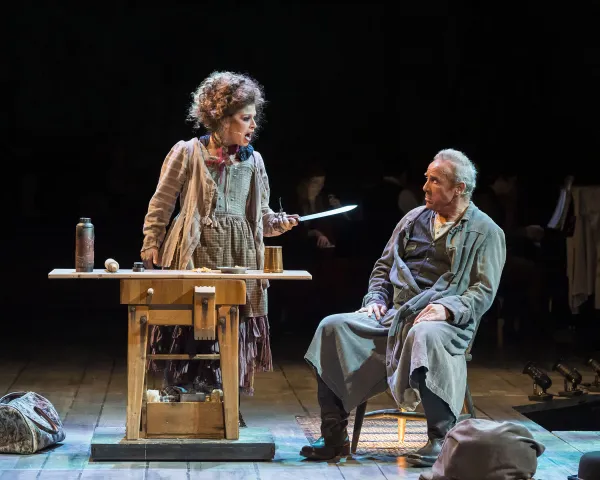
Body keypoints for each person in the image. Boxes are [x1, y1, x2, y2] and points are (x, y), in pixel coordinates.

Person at [301, 149, 506, 466]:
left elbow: (483, 291)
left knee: (425, 334)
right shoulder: (413, 219)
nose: (425, 186)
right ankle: (333, 435)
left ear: (458, 188)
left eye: (434, 181)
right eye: (426, 178)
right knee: (332, 327)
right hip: (396, 315)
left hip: (446, 322)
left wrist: (447, 310)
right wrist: (376, 299)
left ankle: (439, 438)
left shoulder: (486, 232)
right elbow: (383, 267)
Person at [140, 71, 298, 398]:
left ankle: (224, 402)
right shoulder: (188, 152)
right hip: (195, 252)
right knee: (191, 326)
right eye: (245, 118)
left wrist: (280, 223)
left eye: (254, 118)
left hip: (239, 257)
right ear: (222, 119)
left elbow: (261, 216)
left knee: (229, 328)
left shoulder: (254, 161)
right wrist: (151, 241)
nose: (253, 125)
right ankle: (180, 395)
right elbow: (163, 201)